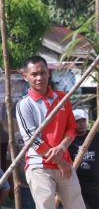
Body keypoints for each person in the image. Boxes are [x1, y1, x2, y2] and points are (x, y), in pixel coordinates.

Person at [16, 56, 85, 209]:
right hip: (39, 165)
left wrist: (62, 148)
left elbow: (71, 128)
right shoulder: (24, 105)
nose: (39, 77)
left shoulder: (62, 98)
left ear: (49, 74)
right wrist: (59, 161)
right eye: (34, 74)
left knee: (77, 206)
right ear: (25, 76)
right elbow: (32, 138)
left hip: (65, 162)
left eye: (43, 73)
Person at [68, 109, 99, 209]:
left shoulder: (95, 136)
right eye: (77, 121)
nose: (81, 124)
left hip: (92, 181)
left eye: (83, 120)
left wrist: (93, 165)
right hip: (74, 181)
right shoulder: (68, 138)